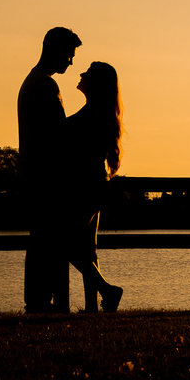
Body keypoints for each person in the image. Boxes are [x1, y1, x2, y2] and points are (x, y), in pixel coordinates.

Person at [17, 27, 81, 314]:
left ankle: (39, 300)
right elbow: (59, 133)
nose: (70, 62)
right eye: (69, 54)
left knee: (42, 239)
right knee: (48, 241)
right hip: (46, 177)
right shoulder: (44, 86)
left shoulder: (33, 82)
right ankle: (41, 302)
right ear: (55, 50)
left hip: (36, 175)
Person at [65, 61, 125, 312]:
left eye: (87, 73)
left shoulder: (95, 115)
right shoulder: (96, 111)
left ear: (96, 83)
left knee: (65, 243)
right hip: (95, 188)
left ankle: (108, 290)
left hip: (86, 189)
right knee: (88, 249)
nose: (80, 74)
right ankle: (91, 307)